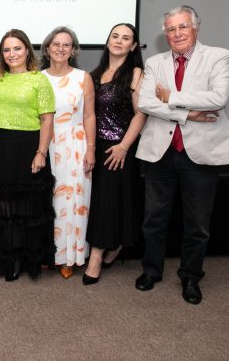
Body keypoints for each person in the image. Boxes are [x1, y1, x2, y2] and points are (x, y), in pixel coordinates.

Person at [135, 6, 229, 305]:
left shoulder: (218, 56)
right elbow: (145, 102)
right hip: (161, 152)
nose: (176, 34)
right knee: (153, 218)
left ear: (196, 28)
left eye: (182, 27)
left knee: (197, 223)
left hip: (200, 153)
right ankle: (151, 270)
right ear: (164, 33)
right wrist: (188, 113)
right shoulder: (155, 62)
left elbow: (218, 98)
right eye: (170, 29)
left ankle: (191, 275)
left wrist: (171, 98)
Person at [0, 29, 55, 281]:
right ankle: (6, 255)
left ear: (27, 51)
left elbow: (47, 120)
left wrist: (41, 153)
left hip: (28, 146)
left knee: (26, 206)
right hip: (0, 146)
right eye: (7, 50)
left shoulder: (39, 80)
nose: (12, 54)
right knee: (2, 205)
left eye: (17, 48)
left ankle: (22, 258)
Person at [82, 23, 146, 285]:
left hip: (118, 148)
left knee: (108, 202)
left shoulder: (135, 73)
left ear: (133, 46)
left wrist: (123, 147)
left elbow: (141, 114)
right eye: (115, 36)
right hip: (95, 145)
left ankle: (96, 257)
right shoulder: (94, 74)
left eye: (126, 38)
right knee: (99, 200)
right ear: (107, 41)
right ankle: (116, 243)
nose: (119, 41)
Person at [40, 27, 95, 279]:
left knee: (73, 203)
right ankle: (48, 253)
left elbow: (89, 115)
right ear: (47, 47)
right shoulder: (37, 78)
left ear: (73, 50)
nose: (61, 49)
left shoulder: (83, 77)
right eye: (56, 44)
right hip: (46, 143)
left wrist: (91, 149)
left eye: (67, 44)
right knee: (47, 200)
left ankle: (69, 258)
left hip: (75, 145)